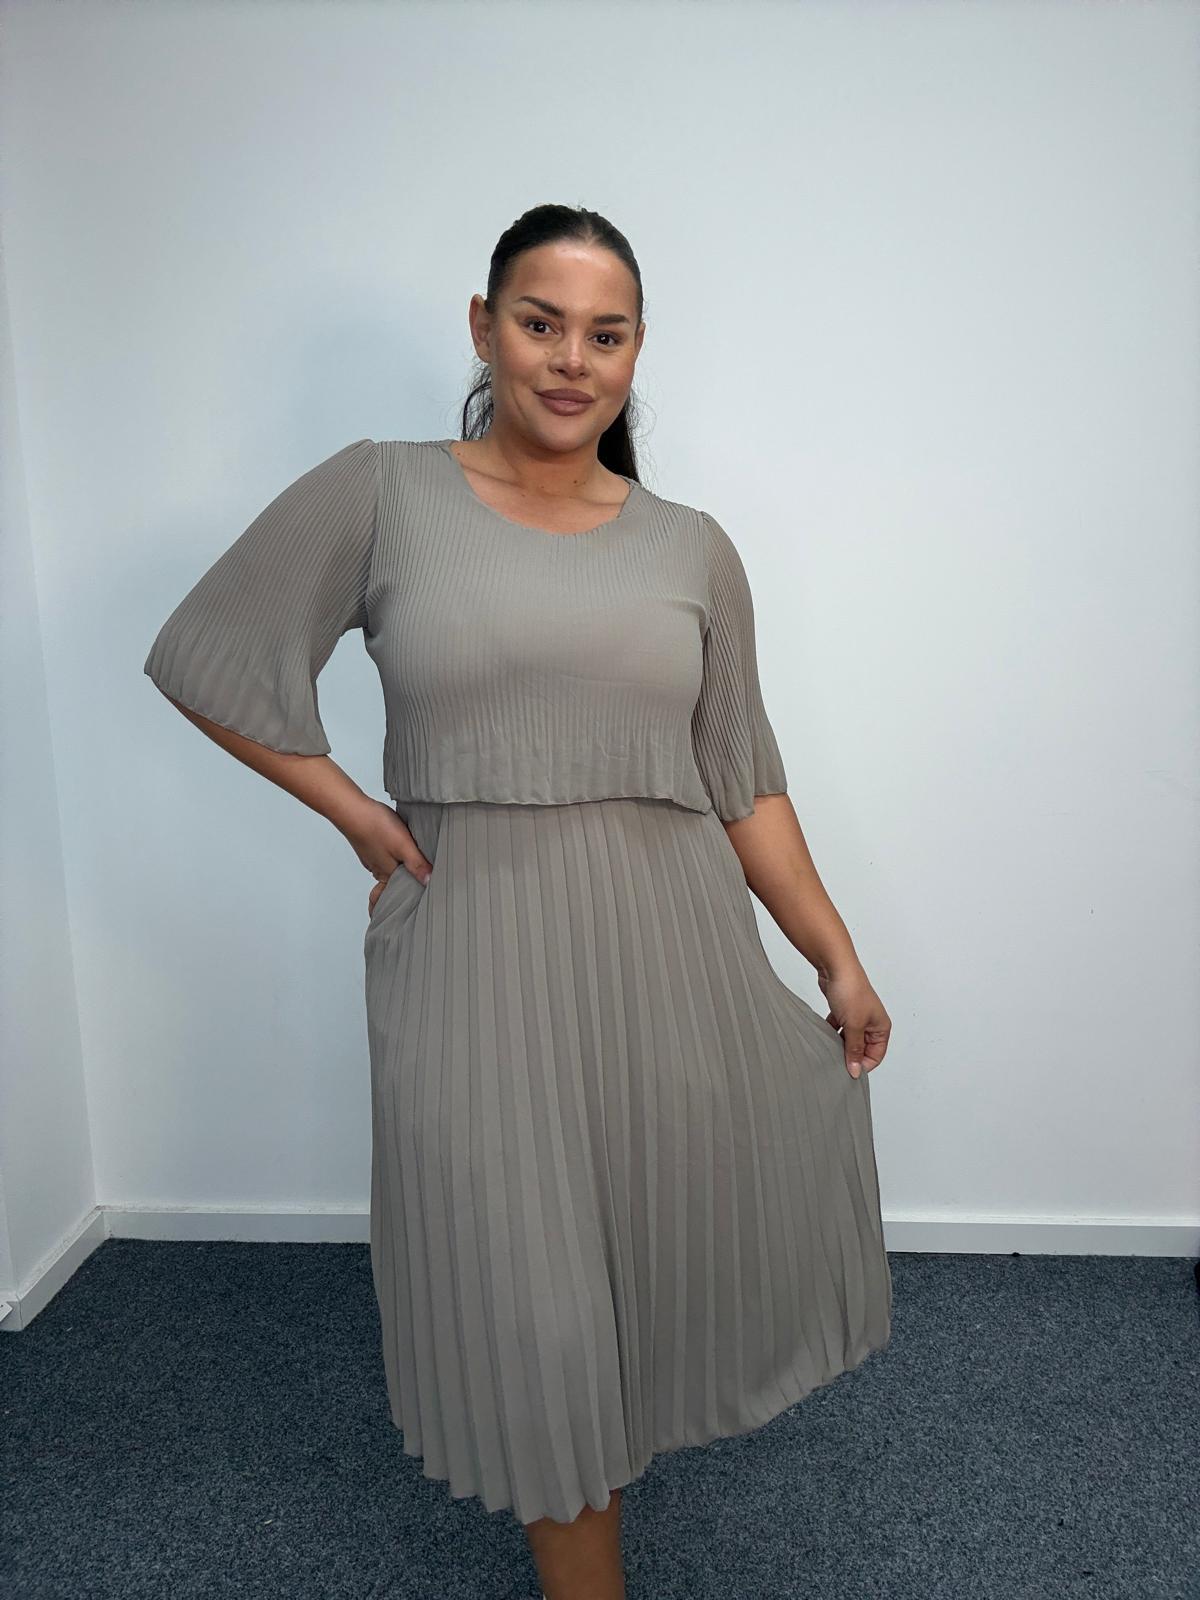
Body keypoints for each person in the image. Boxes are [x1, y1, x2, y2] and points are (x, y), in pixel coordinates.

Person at [143, 203, 894, 1600]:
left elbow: (743, 780)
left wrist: (836, 960)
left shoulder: (691, 547)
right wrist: (358, 813)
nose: (570, 359)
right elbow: (209, 651)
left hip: (666, 956)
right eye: (541, 323)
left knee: (640, 1262)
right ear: (483, 327)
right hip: (473, 963)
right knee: (528, 1308)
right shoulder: (382, 492)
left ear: (638, 352)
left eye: (606, 334)